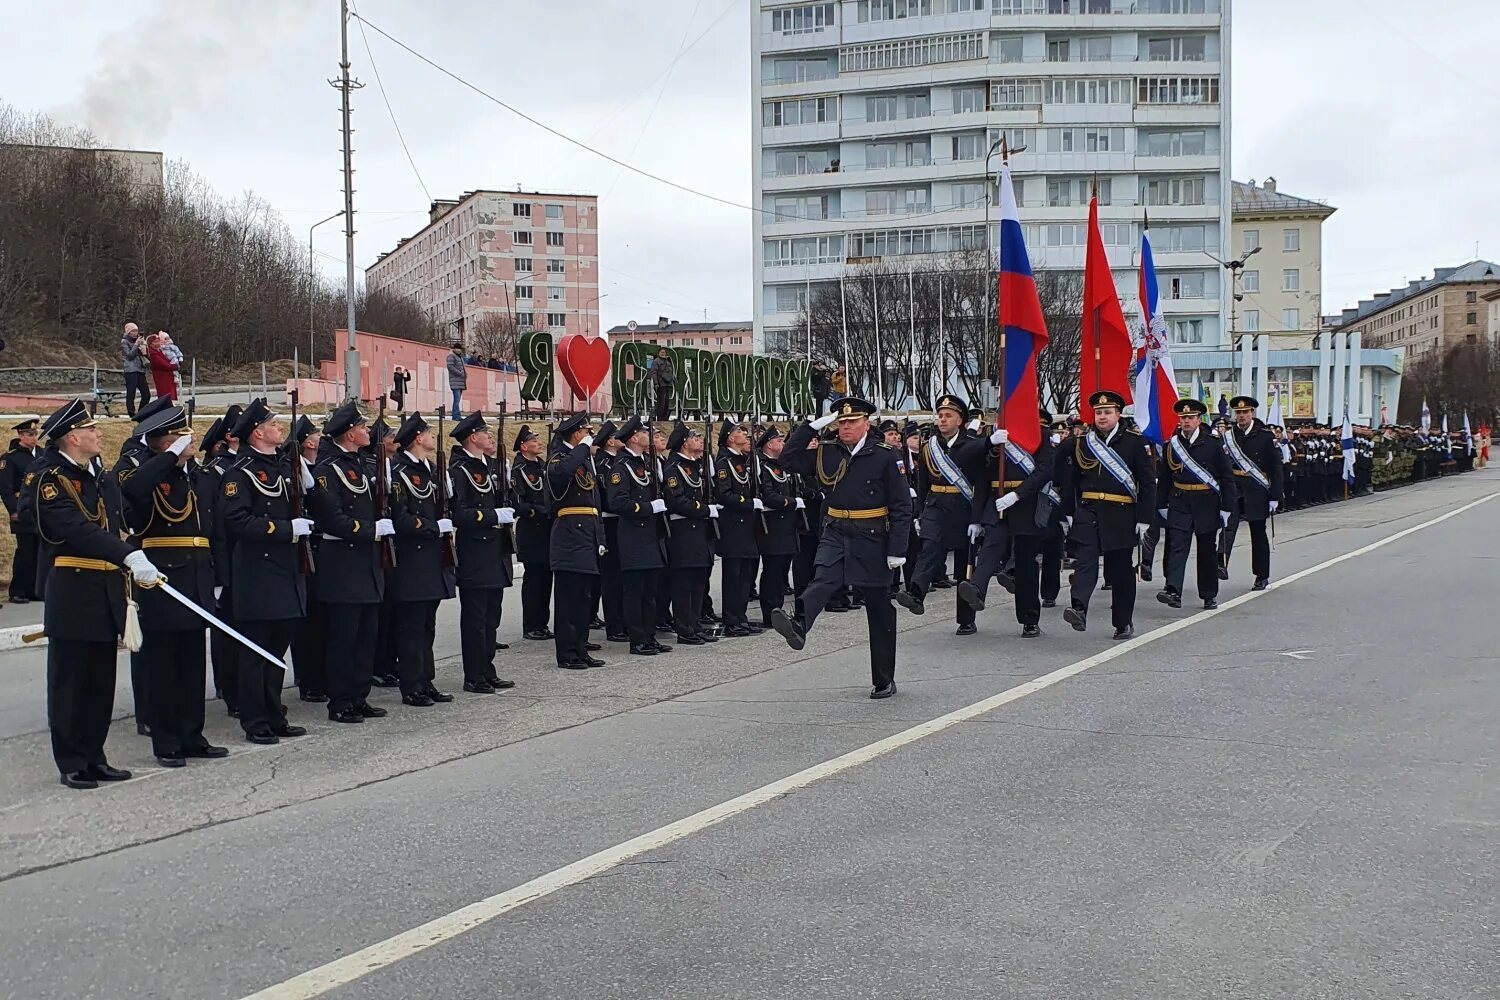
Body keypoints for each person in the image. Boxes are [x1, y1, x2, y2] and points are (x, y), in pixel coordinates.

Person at [31, 400, 162, 788]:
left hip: (105, 588)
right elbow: (75, 529)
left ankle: (95, 755)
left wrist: (128, 550)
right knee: (71, 681)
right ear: (73, 437)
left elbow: (117, 521)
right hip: (74, 588)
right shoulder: (49, 478)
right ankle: (72, 760)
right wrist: (128, 553)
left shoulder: (99, 477)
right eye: (91, 429)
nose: (99, 433)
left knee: (100, 682)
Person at [771, 397, 913, 699]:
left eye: (852, 422)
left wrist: (897, 549)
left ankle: (884, 678)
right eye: (841, 422)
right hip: (836, 530)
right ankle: (799, 624)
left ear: (866, 424)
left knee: (878, 607)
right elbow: (786, 460)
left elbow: (902, 506)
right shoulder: (827, 452)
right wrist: (811, 426)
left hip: (874, 535)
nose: (845, 427)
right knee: (823, 578)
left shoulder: (886, 455)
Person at [118, 402, 228, 767]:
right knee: (162, 665)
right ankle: (166, 740)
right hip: (163, 577)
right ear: (164, 442)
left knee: (191, 663)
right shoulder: (144, 473)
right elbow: (133, 491)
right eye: (180, 437)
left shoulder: (194, 476)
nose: (189, 442)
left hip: (195, 576)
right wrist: (168, 459)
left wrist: (217, 579)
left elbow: (211, 529)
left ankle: (192, 734)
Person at [219, 399, 310, 745]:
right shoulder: (239, 473)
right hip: (257, 573)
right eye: (273, 424)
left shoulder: (284, 469)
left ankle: (275, 714)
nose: (279, 429)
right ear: (258, 433)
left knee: (276, 650)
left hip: (286, 572)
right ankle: (255, 720)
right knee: (256, 651)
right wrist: (285, 530)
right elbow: (236, 521)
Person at [306, 400, 391, 723]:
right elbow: (331, 518)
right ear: (349, 434)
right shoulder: (329, 470)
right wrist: (370, 531)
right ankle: (340, 701)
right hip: (343, 564)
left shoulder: (363, 464)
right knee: (344, 638)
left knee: (366, 637)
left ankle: (359, 695)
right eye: (362, 427)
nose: (367, 431)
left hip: (368, 565)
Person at [898, 393, 1000, 636]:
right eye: (940, 416)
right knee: (930, 547)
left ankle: (966, 619)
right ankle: (916, 593)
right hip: (936, 505)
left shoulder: (973, 445)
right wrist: (920, 513)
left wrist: (977, 519)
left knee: (966, 561)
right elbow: (923, 483)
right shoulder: (929, 446)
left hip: (964, 507)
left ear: (960, 421)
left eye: (948, 416)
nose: (942, 420)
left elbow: (982, 484)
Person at [1059, 390, 1156, 641]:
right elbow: (1071, 481)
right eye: (1098, 412)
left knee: (1121, 570)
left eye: (1107, 412)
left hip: (1121, 512)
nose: (1102, 417)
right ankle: (1079, 608)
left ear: (1118, 414)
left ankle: (1123, 622)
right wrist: (1067, 512)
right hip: (1088, 511)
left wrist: (1144, 518)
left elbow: (1147, 482)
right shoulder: (1083, 442)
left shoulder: (1134, 442)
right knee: (1085, 561)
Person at [960, 407, 1057, 638]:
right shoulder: (995, 437)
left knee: (1025, 563)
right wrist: (976, 518)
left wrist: (1018, 495)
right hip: (996, 501)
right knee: (991, 546)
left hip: (1025, 503)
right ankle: (976, 589)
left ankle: (1029, 619)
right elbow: (977, 474)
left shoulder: (1040, 435)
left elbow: (1045, 471)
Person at [387, 413, 456, 707]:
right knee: (412, 627)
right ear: (417, 438)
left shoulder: (430, 470)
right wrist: (431, 527)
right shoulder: (399, 472)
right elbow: (400, 518)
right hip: (412, 561)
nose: (431, 437)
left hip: (431, 560)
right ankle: (411, 685)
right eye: (428, 433)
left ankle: (426, 681)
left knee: (428, 625)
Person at [448, 412, 519, 692]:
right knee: (476, 619)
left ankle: (487, 668)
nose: (489, 436)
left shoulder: (491, 466)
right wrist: (491, 515)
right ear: (472, 438)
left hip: (496, 551)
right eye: (484, 433)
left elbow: (507, 499)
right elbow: (460, 513)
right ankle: (474, 675)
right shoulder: (460, 469)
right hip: (476, 551)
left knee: (492, 617)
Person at [1156, 399, 1235, 611]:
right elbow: (1164, 477)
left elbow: (1227, 477)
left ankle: (1209, 594)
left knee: (1206, 550)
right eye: (1183, 418)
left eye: (1190, 418)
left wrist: (1227, 507)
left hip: (1206, 502)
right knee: (1177, 546)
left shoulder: (1213, 443)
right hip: (1180, 500)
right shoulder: (1172, 445)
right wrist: (1161, 504)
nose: (1186, 421)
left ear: (1199, 420)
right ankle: (1173, 590)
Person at [605, 417, 672, 656]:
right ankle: (638, 639)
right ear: (634, 437)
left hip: (651, 535)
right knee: (635, 591)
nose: (649, 435)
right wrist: (647, 508)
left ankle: (650, 636)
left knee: (650, 591)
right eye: (645, 432)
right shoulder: (621, 467)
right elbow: (617, 502)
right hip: (633, 535)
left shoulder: (646, 463)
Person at [549, 413, 606, 669]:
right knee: (569, 600)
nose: (590, 435)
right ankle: (567, 653)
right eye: (586, 431)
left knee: (584, 599)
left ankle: (580, 649)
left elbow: (595, 503)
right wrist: (583, 448)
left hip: (588, 535)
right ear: (575, 434)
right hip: (570, 536)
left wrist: (600, 537)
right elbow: (562, 474)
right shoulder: (559, 458)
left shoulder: (584, 461)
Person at [661, 421, 718, 646]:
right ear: (684, 443)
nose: (700, 441)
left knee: (698, 582)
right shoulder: (674, 468)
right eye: (695, 438)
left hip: (699, 531)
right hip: (683, 531)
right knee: (684, 584)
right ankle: (684, 628)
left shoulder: (696, 466)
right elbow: (676, 500)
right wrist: (704, 510)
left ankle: (694, 624)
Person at [1218, 395, 1283, 590]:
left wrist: (1275, 496)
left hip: (1256, 489)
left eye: (1245, 412)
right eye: (1238, 413)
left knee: (1257, 533)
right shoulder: (1228, 436)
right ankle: (1220, 563)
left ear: (1252, 413)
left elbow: (1276, 468)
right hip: (1234, 488)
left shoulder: (1265, 436)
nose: (1241, 416)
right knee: (1227, 527)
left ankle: (1261, 574)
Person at [286, 414, 328, 703]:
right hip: (304, 549)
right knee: (307, 621)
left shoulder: (319, 469)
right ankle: (307, 678)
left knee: (323, 619)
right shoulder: (294, 469)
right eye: (314, 433)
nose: (320, 436)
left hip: (323, 551)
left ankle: (322, 675)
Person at [713, 421, 763, 638]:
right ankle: (732, 619)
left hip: (746, 526)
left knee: (745, 575)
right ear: (731, 438)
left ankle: (741, 616)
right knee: (734, 576)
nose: (745, 435)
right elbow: (724, 494)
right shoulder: (725, 463)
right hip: (733, 525)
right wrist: (749, 503)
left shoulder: (743, 460)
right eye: (740, 432)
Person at [753, 425, 802, 627]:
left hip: (787, 526)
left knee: (782, 570)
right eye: (779, 441)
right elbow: (768, 495)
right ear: (769, 444)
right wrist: (791, 502)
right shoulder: (763, 467)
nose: (783, 444)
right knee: (772, 572)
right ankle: (770, 613)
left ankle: (779, 609)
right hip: (772, 526)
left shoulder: (783, 465)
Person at [510, 425, 554, 641]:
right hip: (532, 529)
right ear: (523, 446)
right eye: (533, 441)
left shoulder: (543, 467)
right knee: (534, 580)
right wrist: (539, 511)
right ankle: (531, 624)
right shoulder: (519, 471)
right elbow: (518, 503)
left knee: (546, 580)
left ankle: (542, 623)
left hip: (547, 530)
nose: (538, 443)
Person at [1, 418, 43, 603]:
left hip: (41, 509)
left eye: (35, 434)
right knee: (25, 551)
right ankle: (18, 590)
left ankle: (34, 588)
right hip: (22, 509)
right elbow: (5, 488)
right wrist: (13, 510)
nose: (33, 438)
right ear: (20, 435)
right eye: (29, 434)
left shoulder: (42, 455)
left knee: (40, 550)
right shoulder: (10, 458)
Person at [121, 323, 151, 416]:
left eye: (136, 331)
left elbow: (146, 355)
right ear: (129, 332)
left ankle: (141, 411)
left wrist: (144, 347)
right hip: (130, 370)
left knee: (146, 394)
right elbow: (129, 355)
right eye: (133, 331)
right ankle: (131, 412)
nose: (135, 333)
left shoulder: (138, 341)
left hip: (140, 369)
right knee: (131, 392)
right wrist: (136, 345)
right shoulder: (124, 342)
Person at [146, 332, 179, 401]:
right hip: (162, 377)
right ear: (151, 343)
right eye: (155, 342)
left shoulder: (160, 350)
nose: (158, 343)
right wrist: (174, 366)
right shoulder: (152, 353)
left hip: (167, 376)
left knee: (170, 395)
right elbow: (162, 364)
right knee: (165, 395)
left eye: (158, 341)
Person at [650, 348, 675, 422]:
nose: (663, 353)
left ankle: (665, 417)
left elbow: (670, 372)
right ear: (658, 353)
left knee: (666, 402)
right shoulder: (656, 361)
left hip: (667, 384)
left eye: (664, 352)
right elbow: (653, 372)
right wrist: (656, 383)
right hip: (660, 384)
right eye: (661, 352)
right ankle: (660, 418)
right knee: (661, 402)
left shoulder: (668, 362)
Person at [446, 343, 467, 418]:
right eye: (458, 348)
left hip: (460, 381)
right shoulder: (451, 356)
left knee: (457, 400)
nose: (459, 350)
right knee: (456, 399)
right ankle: (456, 416)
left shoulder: (460, 357)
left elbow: (462, 368)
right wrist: (460, 373)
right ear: (454, 349)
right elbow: (450, 367)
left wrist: (465, 374)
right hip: (455, 381)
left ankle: (457, 415)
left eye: (460, 348)